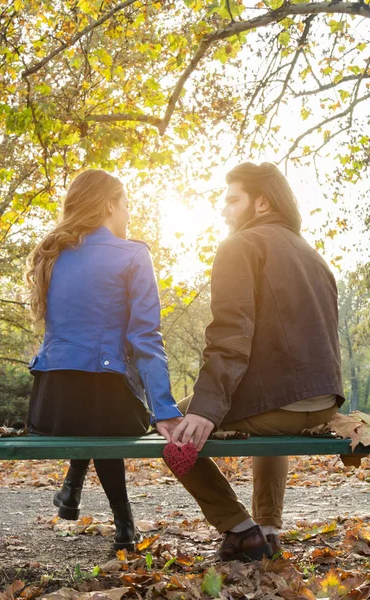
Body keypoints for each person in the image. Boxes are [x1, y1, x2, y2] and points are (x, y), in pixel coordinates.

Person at [170, 162, 344, 562]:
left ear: (262, 203)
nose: (224, 210)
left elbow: (230, 334)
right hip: (321, 405)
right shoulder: (313, 255)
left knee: (171, 431)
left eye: (233, 200)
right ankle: (268, 527)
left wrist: (205, 409)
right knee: (270, 414)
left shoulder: (240, 245)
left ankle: (239, 527)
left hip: (279, 406)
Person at [26, 169, 182, 551]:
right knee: (105, 414)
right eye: (126, 205)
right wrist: (164, 409)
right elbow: (145, 338)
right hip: (107, 404)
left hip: (50, 407)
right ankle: (122, 523)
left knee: (93, 412)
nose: (128, 215)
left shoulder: (53, 254)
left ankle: (73, 489)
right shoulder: (132, 254)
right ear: (111, 204)